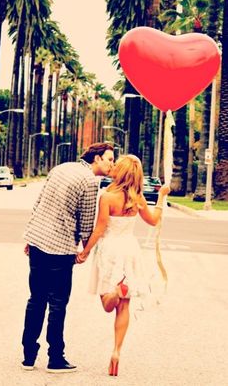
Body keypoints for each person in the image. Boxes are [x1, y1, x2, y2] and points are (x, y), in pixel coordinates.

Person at [21, 142, 114, 373]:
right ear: (96, 158)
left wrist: (30, 236)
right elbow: (85, 222)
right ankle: (55, 358)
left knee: (36, 299)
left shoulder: (61, 168)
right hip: (60, 249)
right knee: (58, 304)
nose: (112, 164)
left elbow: (39, 204)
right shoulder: (91, 181)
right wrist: (85, 250)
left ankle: (28, 357)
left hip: (37, 242)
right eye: (109, 159)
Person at [76, 154, 170, 377]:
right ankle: (117, 351)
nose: (113, 167)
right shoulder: (137, 198)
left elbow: (99, 229)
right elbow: (154, 220)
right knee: (124, 307)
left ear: (121, 171)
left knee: (108, 304)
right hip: (130, 250)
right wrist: (161, 198)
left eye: (116, 165)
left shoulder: (107, 196)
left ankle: (117, 291)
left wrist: (85, 251)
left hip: (109, 250)